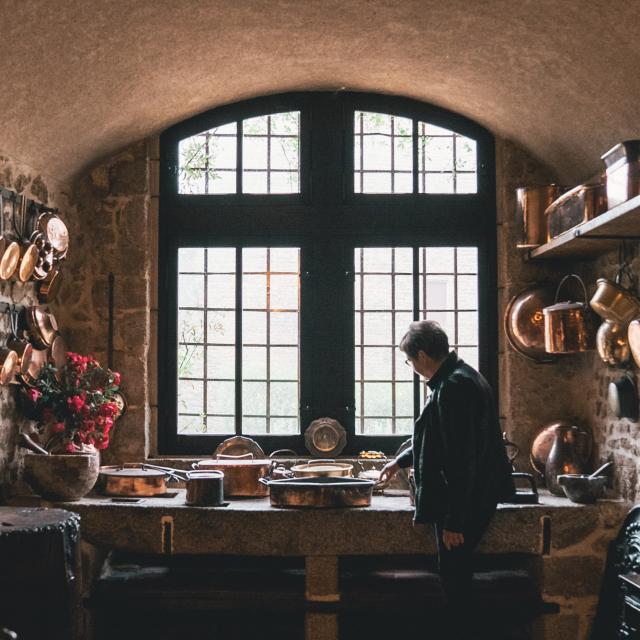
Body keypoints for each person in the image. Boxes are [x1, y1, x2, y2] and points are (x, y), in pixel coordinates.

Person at [379, 320, 515, 637]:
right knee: (454, 576)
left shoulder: (454, 387)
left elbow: (460, 458)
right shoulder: (459, 377)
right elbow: (438, 437)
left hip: (467, 501)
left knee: (455, 579)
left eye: (411, 361)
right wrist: (399, 461)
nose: (412, 368)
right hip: (473, 495)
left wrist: (455, 520)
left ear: (423, 355)